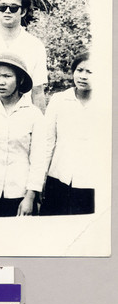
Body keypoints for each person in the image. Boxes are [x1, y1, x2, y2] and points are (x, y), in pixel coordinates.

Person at [0, 52, 45, 218]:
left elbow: (38, 160)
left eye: (7, 76)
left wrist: (30, 196)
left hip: (19, 193)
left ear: (20, 79)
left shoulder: (33, 114)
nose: (1, 82)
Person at [41, 51, 95, 215]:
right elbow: (47, 142)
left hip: (90, 182)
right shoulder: (59, 100)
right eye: (79, 70)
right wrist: (40, 180)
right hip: (58, 179)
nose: (83, 76)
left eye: (90, 72)